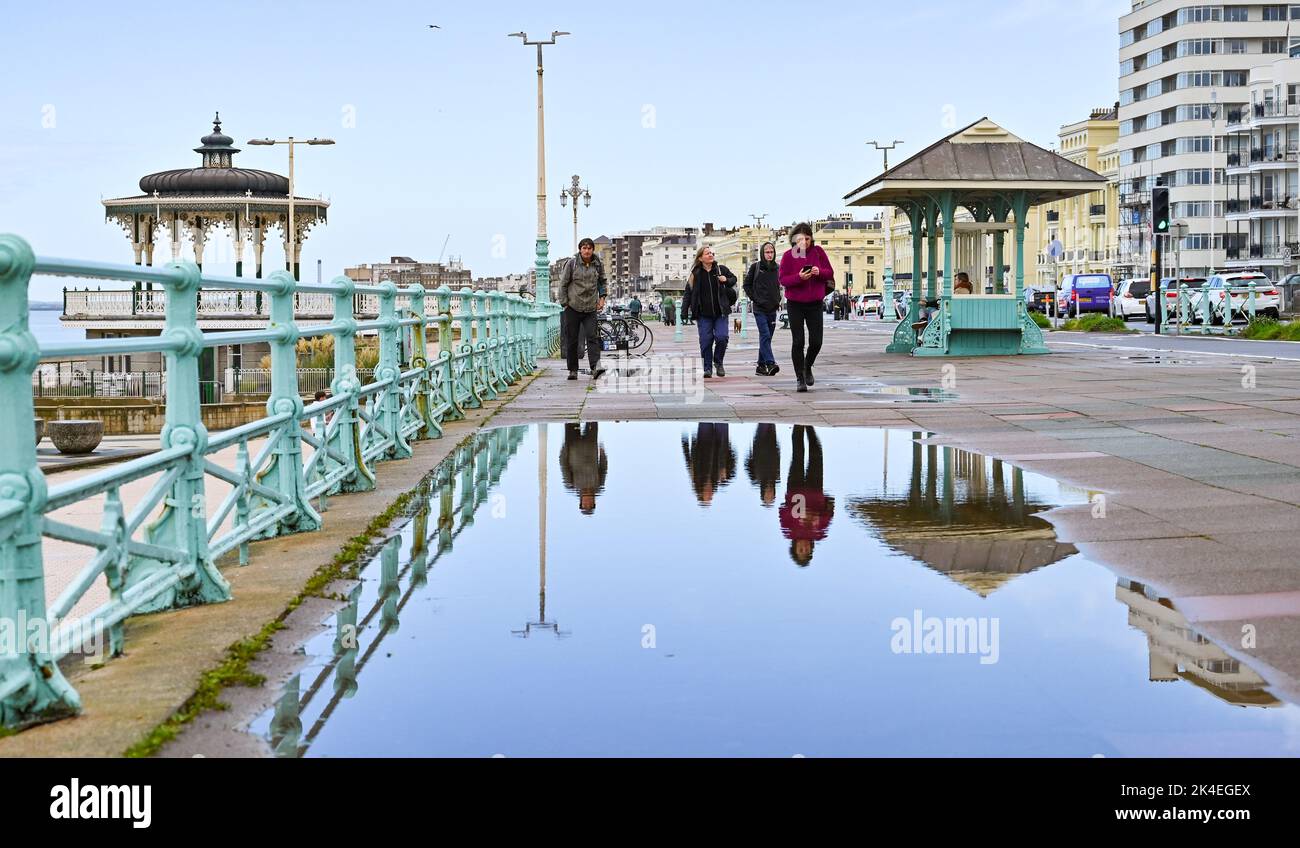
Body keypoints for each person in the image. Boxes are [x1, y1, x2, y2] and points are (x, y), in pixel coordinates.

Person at [778, 223, 834, 392]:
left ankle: (807, 366)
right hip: (795, 303)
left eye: (807, 238)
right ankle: (799, 378)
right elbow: (783, 280)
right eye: (800, 239)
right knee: (798, 341)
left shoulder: (818, 252)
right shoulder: (789, 256)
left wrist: (819, 272)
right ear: (794, 240)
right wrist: (799, 277)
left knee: (816, 341)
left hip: (815, 302)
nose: (804, 242)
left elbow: (829, 273)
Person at [779, 425, 834, 567]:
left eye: (800, 550)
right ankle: (809, 427)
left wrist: (802, 516)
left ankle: (798, 425)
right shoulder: (819, 534)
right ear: (811, 549)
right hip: (815, 489)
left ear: (794, 548)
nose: (804, 548)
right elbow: (830, 512)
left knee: (798, 455)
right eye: (806, 551)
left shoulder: (789, 532)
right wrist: (816, 516)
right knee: (816, 454)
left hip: (795, 488)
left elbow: (782, 510)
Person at [557, 237, 608, 381]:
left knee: (592, 337)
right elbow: (563, 284)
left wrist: (602, 298)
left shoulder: (597, 264)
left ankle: (595, 368)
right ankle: (573, 370)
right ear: (580, 250)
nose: (586, 251)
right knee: (572, 340)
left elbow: (602, 281)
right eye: (584, 248)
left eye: (589, 248)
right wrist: (564, 304)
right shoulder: (572, 264)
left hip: (590, 307)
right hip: (573, 307)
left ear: (592, 250)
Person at [686, 245, 738, 378]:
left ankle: (718, 361)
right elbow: (688, 293)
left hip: (721, 312)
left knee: (722, 338)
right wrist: (684, 311)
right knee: (705, 340)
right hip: (703, 314)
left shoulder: (721, 269)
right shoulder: (695, 274)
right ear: (700, 258)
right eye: (707, 253)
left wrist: (726, 279)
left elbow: (734, 280)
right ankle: (707, 368)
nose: (711, 255)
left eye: (711, 253)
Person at [744, 241, 782, 376]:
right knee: (765, 335)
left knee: (767, 338)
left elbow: (779, 286)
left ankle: (760, 366)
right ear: (762, 253)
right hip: (759, 309)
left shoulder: (778, 268)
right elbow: (746, 285)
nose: (769, 255)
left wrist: (778, 300)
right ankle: (770, 363)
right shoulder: (755, 267)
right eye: (767, 252)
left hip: (772, 309)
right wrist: (755, 298)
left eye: (771, 252)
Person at [681, 422, 736, 506]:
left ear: (701, 492)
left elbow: (688, 459)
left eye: (707, 496)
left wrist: (685, 441)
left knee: (706, 419)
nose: (710, 494)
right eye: (711, 497)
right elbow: (722, 461)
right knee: (722, 420)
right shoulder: (717, 481)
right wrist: (723, 467)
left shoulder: (695, 477)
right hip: (719, 443)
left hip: (704, 441)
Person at [559, 422, 608, 515]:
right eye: (590, 504)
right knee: (592, 419)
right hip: (591, 444)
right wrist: (602, 453)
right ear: (594, 502)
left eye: (585, 504)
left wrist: (564, 450)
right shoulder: (599, 486)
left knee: (571, 419)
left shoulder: (571, 485)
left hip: (573, 446)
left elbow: (564, 465)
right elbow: (603, 469)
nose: (588, 502)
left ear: (581, 502)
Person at [745, 422, 781, 508]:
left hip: (759, 448)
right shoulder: (776, 479)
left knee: (763, 424)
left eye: (767, 496)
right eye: (771, 496)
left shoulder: (756, 479)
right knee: (771, 424)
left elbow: (748, 464)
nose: (769, 493)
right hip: (772, 448)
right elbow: (777, 463)